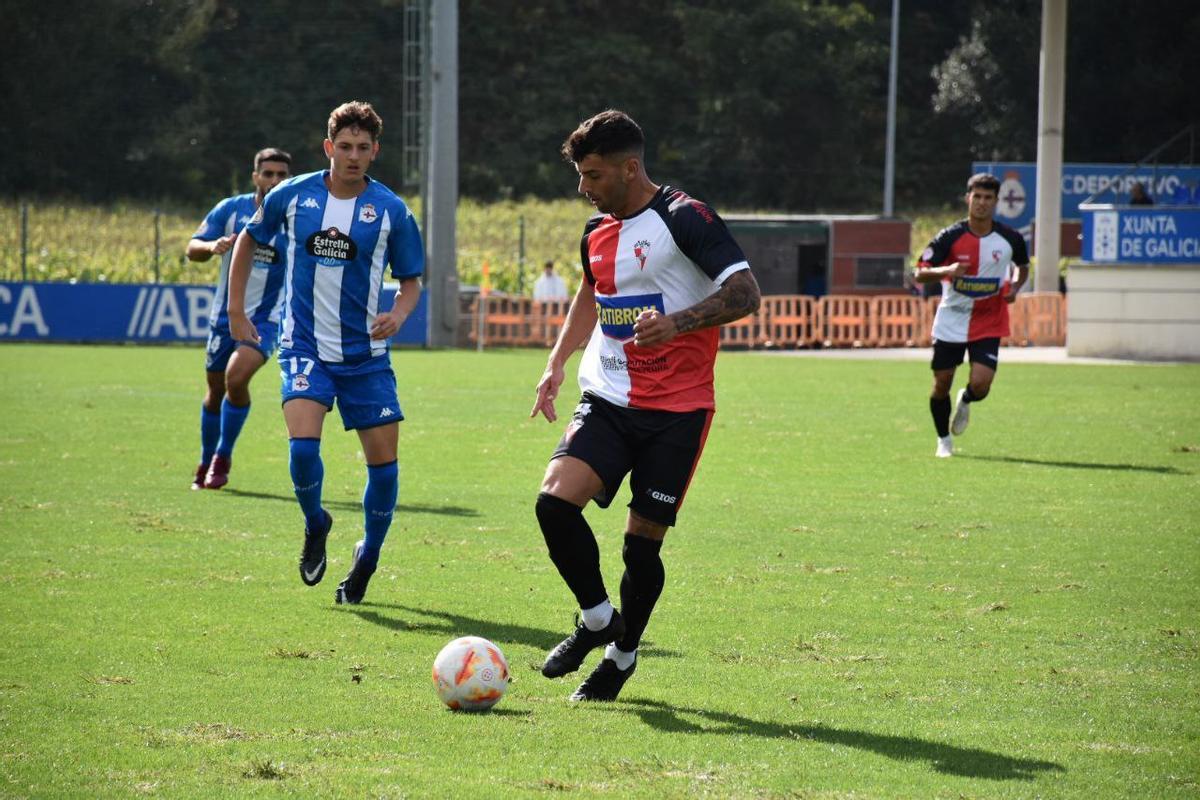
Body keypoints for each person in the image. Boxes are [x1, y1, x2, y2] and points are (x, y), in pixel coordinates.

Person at [529, 110, 761, 701]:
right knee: (554, 505)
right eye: (581, 174)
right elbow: (591, 292)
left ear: (631, 168)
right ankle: (600, 619)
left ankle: (621, 656)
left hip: (677, 411)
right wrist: (556, 363)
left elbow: (744, 293)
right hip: (607, 396)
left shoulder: (686, 218)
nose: (585, 186)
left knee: (640, 544)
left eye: (595, 174)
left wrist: (677, 324)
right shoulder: (595, 230)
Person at [227, 101, 425, 604]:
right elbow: (249, 242)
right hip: (304, 346)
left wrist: (399, 316)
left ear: (375, 150)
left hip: (366, 356)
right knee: (302, 449)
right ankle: (316, 522)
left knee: (384, 468)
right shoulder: (292, 195)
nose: (353, 156)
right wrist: (236, 311)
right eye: (345, 146)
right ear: (327, 147)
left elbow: (410, 282)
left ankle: (369, 557)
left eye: (363, 148)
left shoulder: (392, 211)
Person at [186, 148, 292, 490]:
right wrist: (212, 245)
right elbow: (192, 248)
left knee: (236, 377)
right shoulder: (231, 210)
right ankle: (205, 459)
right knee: (215, 390)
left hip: (268, 318)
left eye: (281, 174)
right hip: (223, 317)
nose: (275, 180)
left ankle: (222, 456)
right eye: (268, 173)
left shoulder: (297, 218)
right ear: (255, 177)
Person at [914, 172, 1029, 458]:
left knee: (981, 384)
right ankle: (943, 440)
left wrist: (1015, 285)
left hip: (989, 319)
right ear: (968, 198)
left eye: (988, 198)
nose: (981, 203)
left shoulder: (1010, 238)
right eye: (976, 196)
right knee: (941, 382)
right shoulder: (949, 237)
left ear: (996, 202)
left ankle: (965, 399)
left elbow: (1023, 265)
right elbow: (919, 271)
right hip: (952, 319)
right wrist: (947, 271)